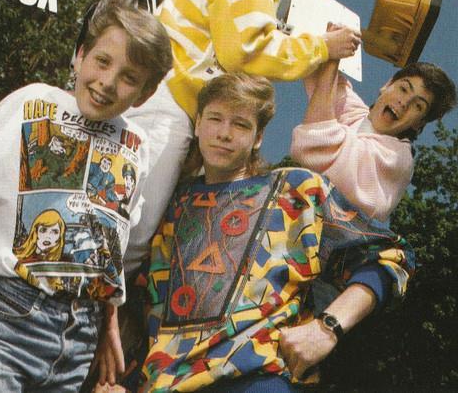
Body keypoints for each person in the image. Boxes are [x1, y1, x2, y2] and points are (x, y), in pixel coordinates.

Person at [0, 0, 172, 392]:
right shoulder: (34, 102)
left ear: (145, 93)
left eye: (129, 77)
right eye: (102, 61)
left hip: (78, 343)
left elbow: (108, 243)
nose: (107, 82)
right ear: (81, 55)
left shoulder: (136, 144)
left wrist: (107, 323)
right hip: (4, 323)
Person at [123, 0, 362, 276]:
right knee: (133, 230)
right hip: (166, 102)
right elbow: (247, 50)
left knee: (132, 221)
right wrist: (323, 46)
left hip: (168, 97)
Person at [138, 73, 413, 392]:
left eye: (240, 124)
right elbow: (143, 300)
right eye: (215, 118)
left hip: (256, 378)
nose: (224, 133)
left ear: (258, 137)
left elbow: (391, 257)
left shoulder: (296, 191)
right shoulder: (172, 204)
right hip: (163, 382)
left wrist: (327, 328)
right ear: (198, 124)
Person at [290, 57, 458, 221]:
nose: (404, 102)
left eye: (418, 106)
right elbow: (321, 73)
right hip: (296, 220)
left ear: (419, 123)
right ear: (387, 85)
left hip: (326, 234)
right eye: (404, 89)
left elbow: (314, 145)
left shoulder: (398, 158)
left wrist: (333, 61)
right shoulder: (357, 116)